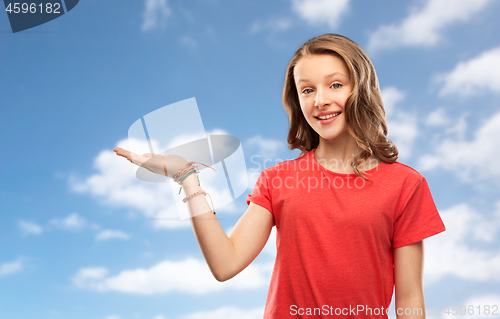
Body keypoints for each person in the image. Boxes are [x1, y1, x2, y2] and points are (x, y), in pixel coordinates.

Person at [113, 33, 446, 319]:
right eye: (307, 90)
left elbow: (410, 299)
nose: (321, 100)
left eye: (335, 84)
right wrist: (187, 177)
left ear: (360, 88)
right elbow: (225, 263)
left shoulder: (406, 184)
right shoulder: (279, 179)